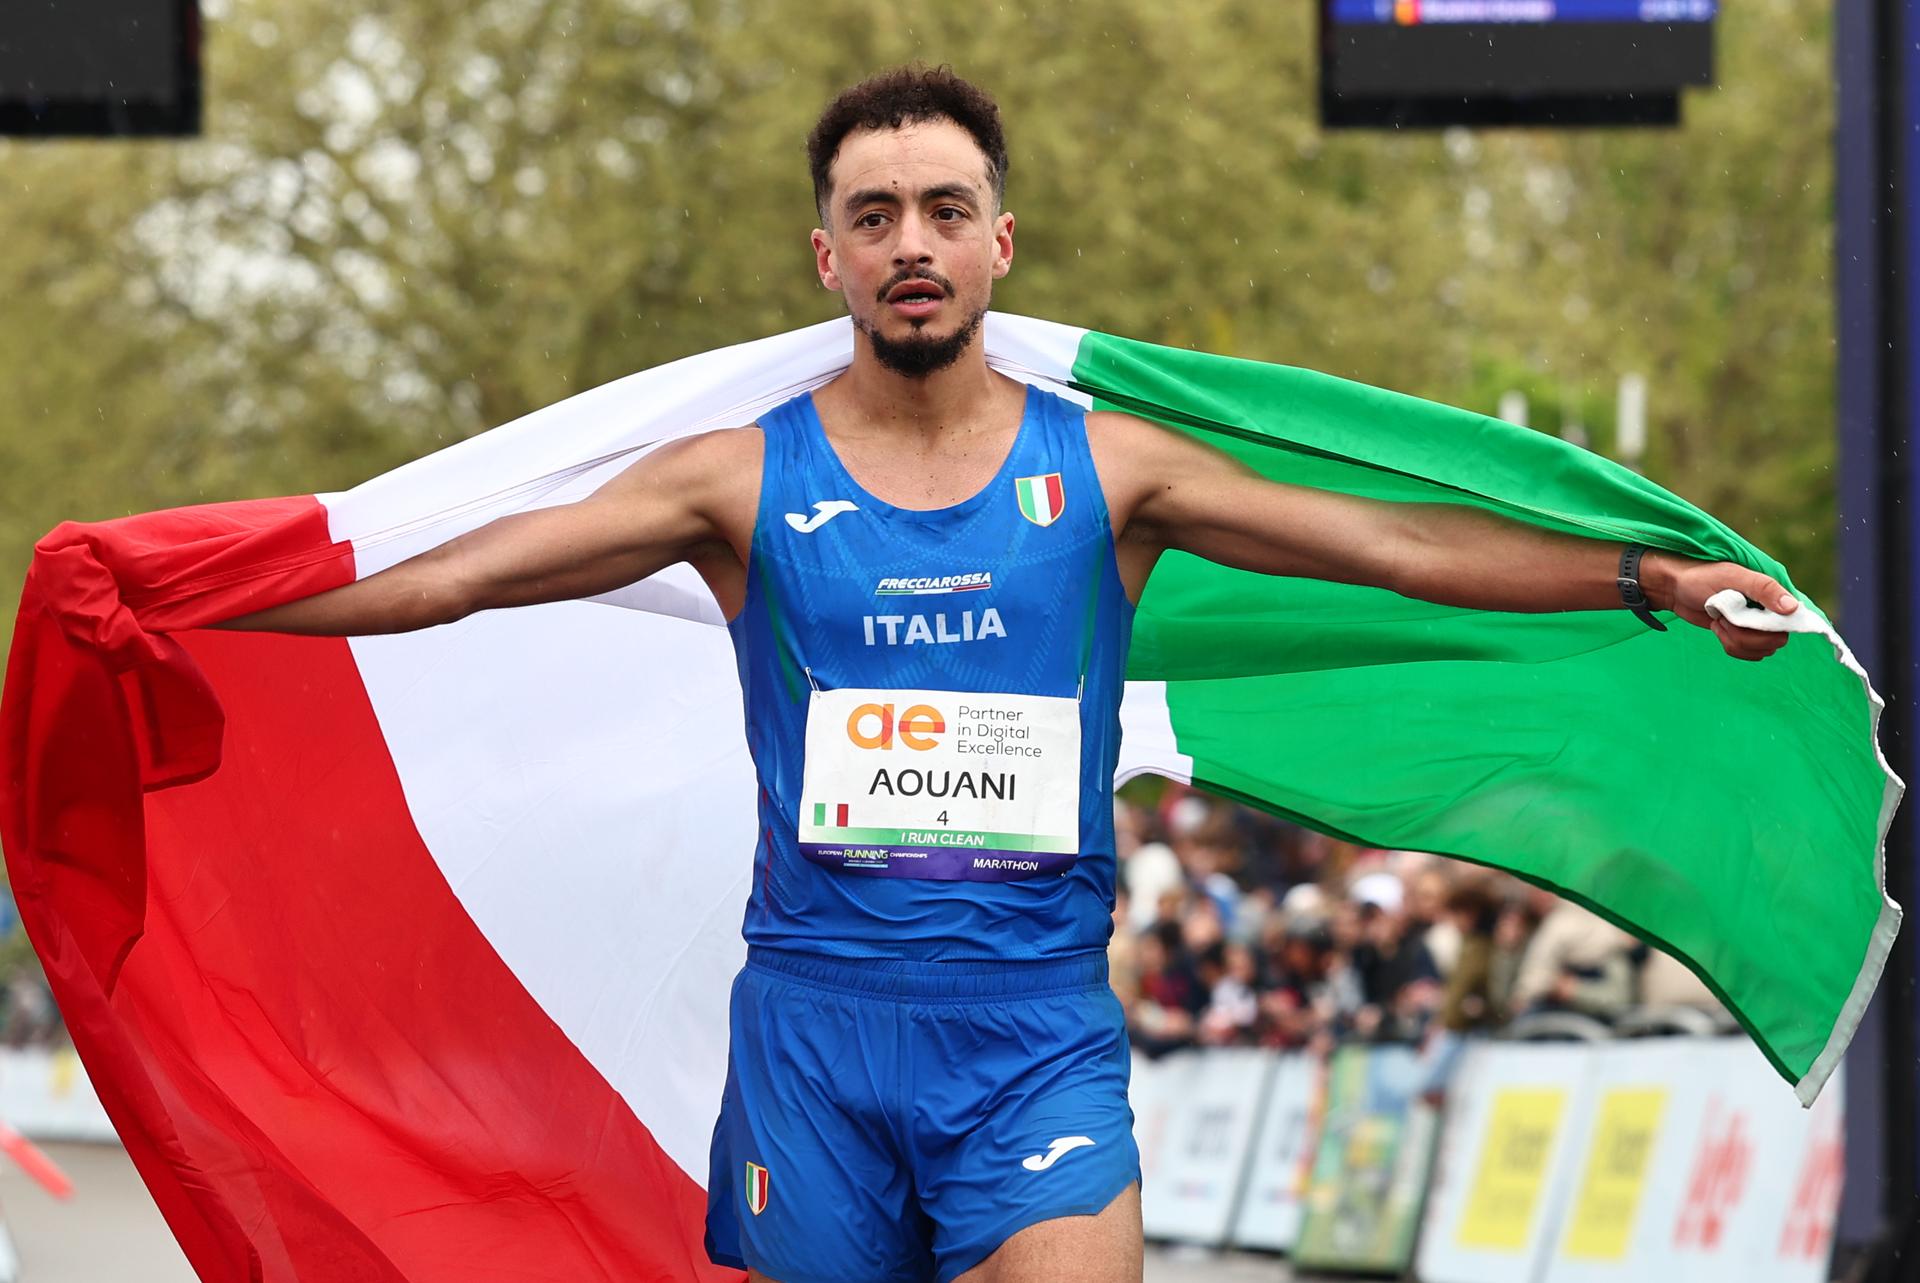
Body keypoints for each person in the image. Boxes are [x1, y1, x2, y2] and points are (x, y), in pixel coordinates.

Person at [214, 63, 1799, 1283]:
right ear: (824, 252)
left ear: (999, 244)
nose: (915, 244)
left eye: (947, 211)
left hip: (1030, 1032)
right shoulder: (732, 483)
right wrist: (196, 605)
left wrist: (1646, 574)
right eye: (879, 215)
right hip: (815, 1038)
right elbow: (455, 576)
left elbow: (1392, 547)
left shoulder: (1110, 474)